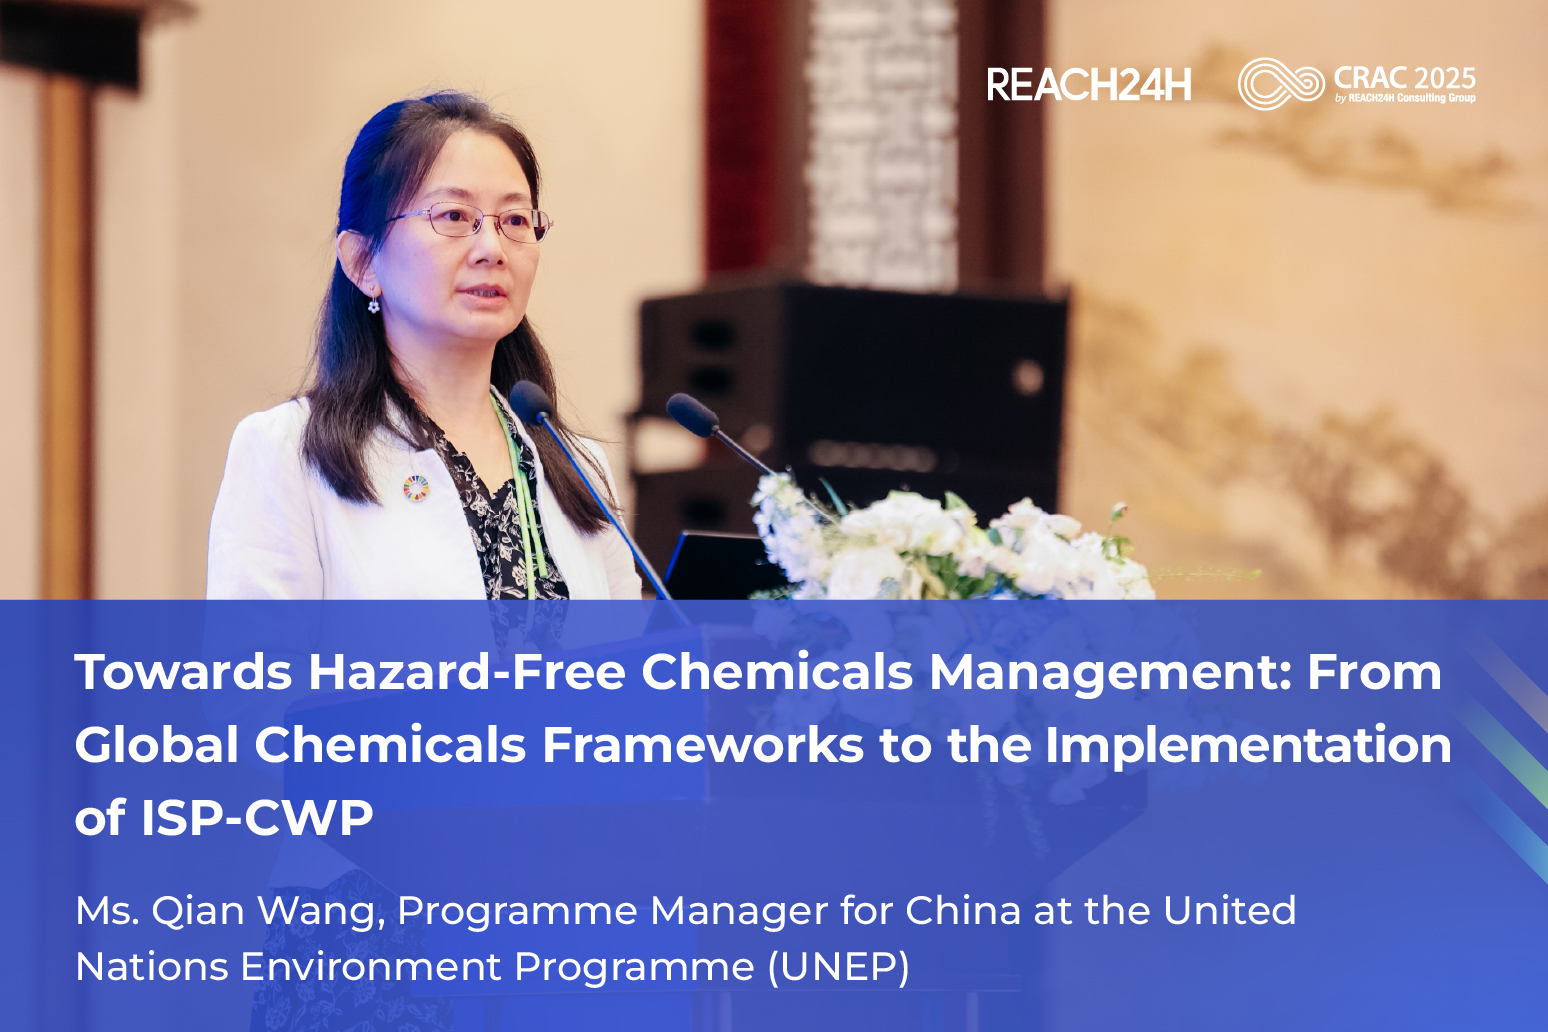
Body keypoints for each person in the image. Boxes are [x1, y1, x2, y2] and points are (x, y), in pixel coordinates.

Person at [207, 91, 640, 601]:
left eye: (515, 221)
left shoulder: (580, 470)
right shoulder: (286, 453)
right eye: (454, 216)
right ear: (362, 260)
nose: (492, 250)